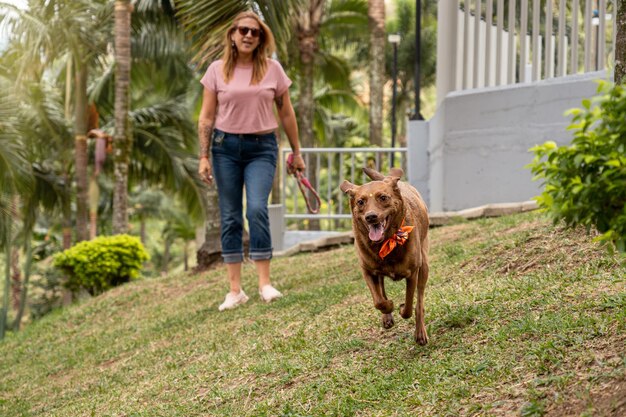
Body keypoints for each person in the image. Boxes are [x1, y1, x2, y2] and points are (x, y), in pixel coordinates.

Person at [198, 11, 305, 311]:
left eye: (254, 32)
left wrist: (297, 152)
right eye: (242, 30)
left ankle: (264, 284)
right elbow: (206, 117)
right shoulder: (217, 71)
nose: (248, 35)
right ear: (232, 34)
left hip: (262, 147)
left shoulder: (273, 70)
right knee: (231, 216)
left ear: (261, 38)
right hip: (224, 148)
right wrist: (204, 156)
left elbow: (286, 113)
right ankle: (235, 290)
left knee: (257, 208)